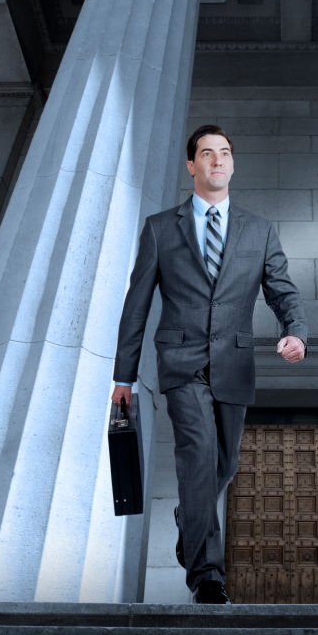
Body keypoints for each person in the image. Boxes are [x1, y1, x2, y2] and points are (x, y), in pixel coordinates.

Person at [112, 125, 307, 604]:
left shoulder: (259, 230)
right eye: (206, 153)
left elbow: (282, 289)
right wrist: (124, 376)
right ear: (191, 165)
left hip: (234, 362)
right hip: (180, 361)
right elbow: (136, 304)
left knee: (225, 462)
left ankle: (189, 517)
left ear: (233, 164)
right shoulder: (161, 228)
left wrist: (295, 330)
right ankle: (207, 576)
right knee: (197, 456)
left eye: (224, 153)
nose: (217, 161)